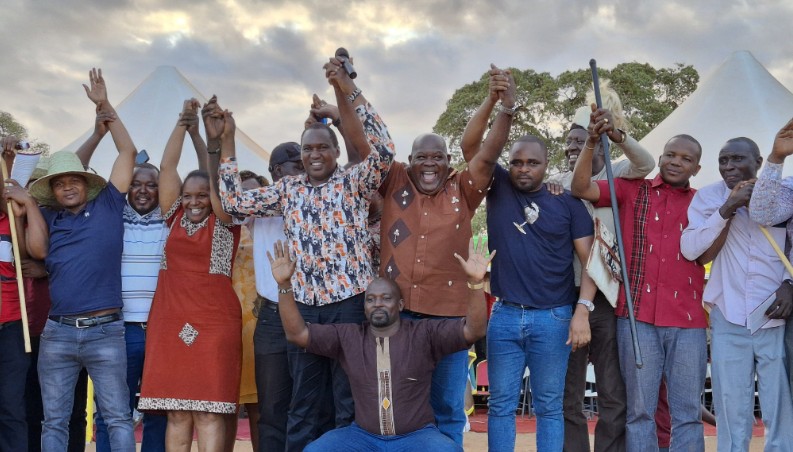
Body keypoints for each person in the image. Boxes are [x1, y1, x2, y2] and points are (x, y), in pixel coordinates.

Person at [219, 53, 394, 450]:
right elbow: (232, 203)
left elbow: (383, 150)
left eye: (322, 148)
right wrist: (227, 142)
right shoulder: (287, 191)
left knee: (348, 401)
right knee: (303, 403)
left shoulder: (353, 182)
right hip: (306, 309)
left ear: (334, 152)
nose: (314, 155)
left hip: (350, 306)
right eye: (307, 150)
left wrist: (349, 89)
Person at [376, 64, 513, 445]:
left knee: (449, 408)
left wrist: (501, 105)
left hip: (450, 320)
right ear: (410, 159)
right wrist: (344, 97)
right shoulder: (394, 179)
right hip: (398, 316)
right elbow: (363, 143)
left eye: (438, 157)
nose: (430, 164)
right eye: (422, 157)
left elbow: (487, 153)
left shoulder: (464, 189)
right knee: (399, 404)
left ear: (449, 162)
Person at [6, 68, 137, 452]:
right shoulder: (46, 217)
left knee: (116, 417)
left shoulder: (110, 203)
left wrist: (104, 108)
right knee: (54, 423)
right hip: (58, 333)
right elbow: (39, 252)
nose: (67, 185)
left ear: (87, 184)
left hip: (105, 330)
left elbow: (127, 152)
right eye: (59, 182)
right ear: (51, 190)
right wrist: (30, 202)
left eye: (73, 181)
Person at [268, 236, 490, 452]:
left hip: (417, 437)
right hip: (363, 437)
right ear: (364, 307)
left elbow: (473, 330)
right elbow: (297, 334)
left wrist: (476, 283)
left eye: (386, 298)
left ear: (400, 304)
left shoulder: (424, 334)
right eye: (371, 299)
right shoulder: (349, 337)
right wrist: (285, 286)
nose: (378, 304)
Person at [571, 111, 707, 450]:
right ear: (659, 158)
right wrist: (591, 141)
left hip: (688, 322)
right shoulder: (631, 190)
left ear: (696, 168)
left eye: (685, 159)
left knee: (687, 412)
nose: (676, 162)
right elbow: (580, 187)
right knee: (640, 412)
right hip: (637, 319)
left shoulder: (703, 203)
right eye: (671, 155)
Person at [551, 87, 655, 452]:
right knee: (570, 392)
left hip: (612, 300)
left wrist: (613, 134)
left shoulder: (620, 174)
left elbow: (648, 163)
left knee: (613, 391)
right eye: (569, 141)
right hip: (569, 299)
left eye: (580, 140)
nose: (573, 147)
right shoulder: (561, 184)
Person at [137, 98, 242, 451]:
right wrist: (183, 123)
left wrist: (213, 140)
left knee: (210, 413)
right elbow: (167, 166)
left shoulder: (225, 221)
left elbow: (218, 182)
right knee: (178, 412)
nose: (194, 201)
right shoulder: (172, 218)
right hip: (169, 321)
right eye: (187, 196)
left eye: (201, 196)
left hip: (214, 325)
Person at [482, 128, 596, 450]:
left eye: (533, 162)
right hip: (503, 314)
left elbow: (591, 263)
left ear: (547, 165)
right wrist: (500, 105)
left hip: (554, 318)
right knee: (500, 406)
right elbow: (472, 147)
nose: (523, 168)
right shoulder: (499, 186)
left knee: (549, 408)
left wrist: (582, 311)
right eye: (516, 162)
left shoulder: (569, 203)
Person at [682, 135, 793, 450]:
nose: (729, 167)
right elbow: (690, 249)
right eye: (723, 160)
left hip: (775, 316)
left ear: (758, 163)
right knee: (731, 406)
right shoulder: (707, 197)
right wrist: (726, 208)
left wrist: (789, 283)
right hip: (727, 316)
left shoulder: (782, 194)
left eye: (737, 160)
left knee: (779, 404)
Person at [75, 108, 170, 452]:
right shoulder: (112, 216)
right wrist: (102, 120)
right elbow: (76, 175)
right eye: (136, 185)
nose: (143, 191)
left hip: (161, 329)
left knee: (160, 408)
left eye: (152, 186)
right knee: (111, 410)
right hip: (118, 330)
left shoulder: (171, 221)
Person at [224, 169, 270, 452]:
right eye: (241, 195)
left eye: (254, 195)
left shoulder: (274, 228)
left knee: (261, 410)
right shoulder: (223, 232)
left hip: (265, 332)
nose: (247, 202)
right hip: (227, 333)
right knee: (225, 408)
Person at [0, 136, 29, 452]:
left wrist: (8, 163)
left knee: (11, 408)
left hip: (10, 327)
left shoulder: (9, 222)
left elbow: (34, 256)